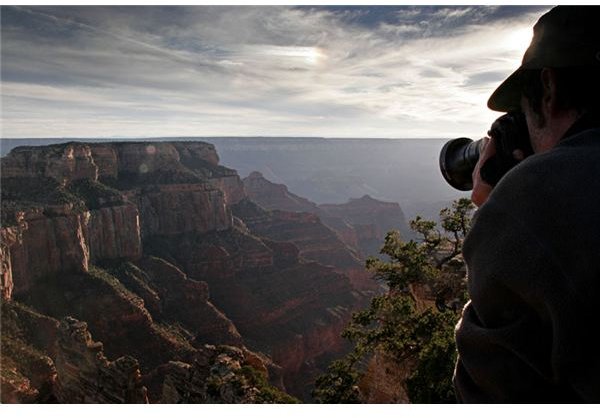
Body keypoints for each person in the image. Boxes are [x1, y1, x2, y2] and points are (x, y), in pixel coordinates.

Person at [453, 6, 600, 402]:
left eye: (522, 107)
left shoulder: (533, 195)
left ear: (548, 89)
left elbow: (487, 389)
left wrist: (494, 205)